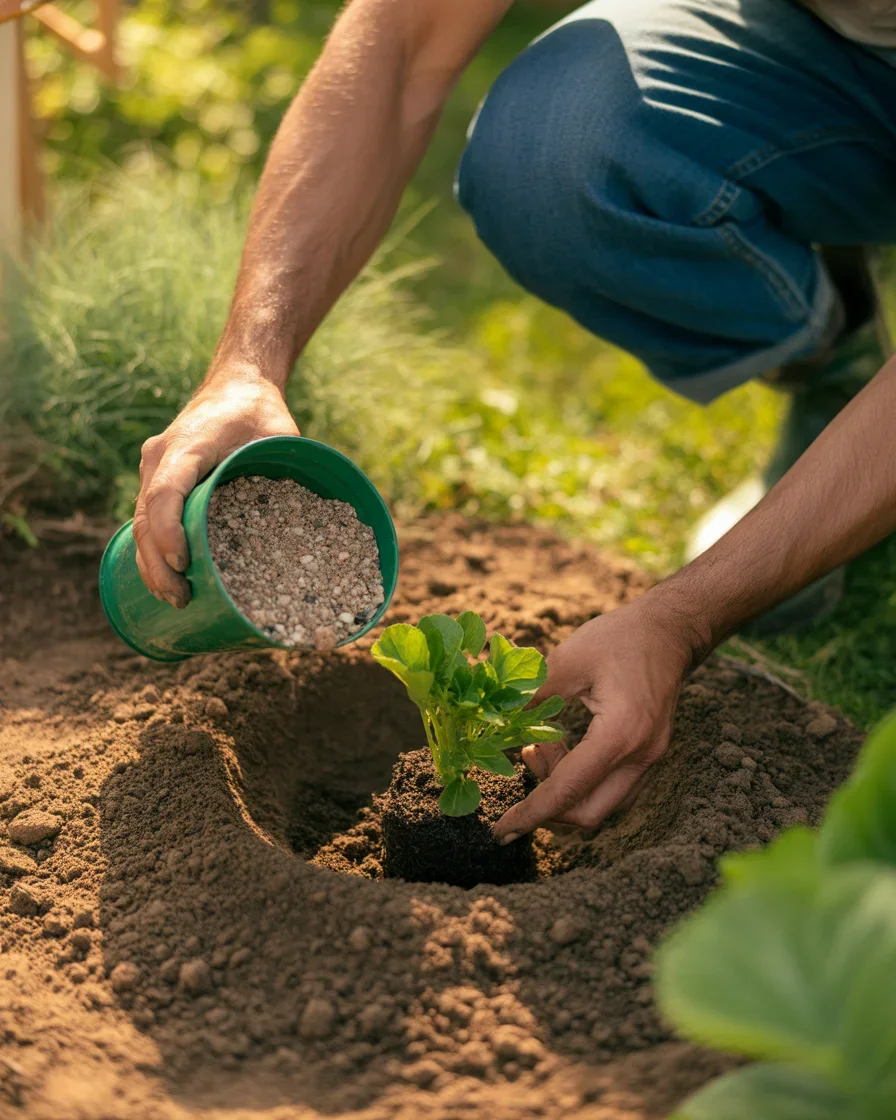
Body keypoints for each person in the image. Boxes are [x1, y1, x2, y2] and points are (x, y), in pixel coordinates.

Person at [134, 0, 896, 844]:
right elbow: (402, 35)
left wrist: (686, 616)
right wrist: (248, 362)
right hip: (826, 55)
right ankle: (834, 365)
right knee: (552, 148)